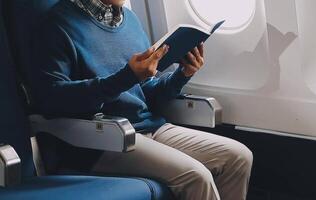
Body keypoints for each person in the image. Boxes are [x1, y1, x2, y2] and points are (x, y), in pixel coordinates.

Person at [29, 0, 253, 199]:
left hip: (149, 127)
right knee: (196, 176)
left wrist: (182, 75)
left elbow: (147, 92)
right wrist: (126, 77)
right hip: (101, 138)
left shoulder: (130, 21)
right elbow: (53, 98)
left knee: (238, 157)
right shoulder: (57, 25)